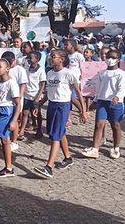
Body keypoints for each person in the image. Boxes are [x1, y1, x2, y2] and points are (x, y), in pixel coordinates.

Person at [33, 49, 87, 179]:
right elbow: (47, 92)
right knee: (60, 132)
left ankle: (49, 167)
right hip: (51, 105)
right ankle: (68, 158)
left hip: (62, 106)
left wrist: (83, 111)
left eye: (53, 57)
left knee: (55, 136)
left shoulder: (68, 74)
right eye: (50, 57)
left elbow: (78, 93)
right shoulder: (50, 73)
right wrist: (39, 105)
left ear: (61, 59)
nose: (51, 59)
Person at [81, 49, 124, 159]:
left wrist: (117, 96)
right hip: (102, 102)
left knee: (116, 125)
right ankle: (95, 149)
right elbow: (99, 89)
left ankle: (116, 148)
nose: (110, 59)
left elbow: (122, 88)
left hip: (115, 103)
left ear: (118, 60)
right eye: (108, 57)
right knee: (99, 124)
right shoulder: (102, 73)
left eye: (113, 57)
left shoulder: (121, 74)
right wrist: (95, 101)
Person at [1, 51, 27, 151]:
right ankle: (6, 138)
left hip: (16, 99)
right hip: (6, 99)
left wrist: (19, 98)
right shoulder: (5, 69)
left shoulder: (20, 70)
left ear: (13, 61)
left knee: (15, 120)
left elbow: (23, 85)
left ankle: (14, 141)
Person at [19, 51, 46, 139]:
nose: (29, 60)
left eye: (31, 58)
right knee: (25, 113)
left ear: (37, 59)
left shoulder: (41, 71)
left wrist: (38, 97)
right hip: (26, 94)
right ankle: (22, 130)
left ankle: (39, 129)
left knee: (37, 114)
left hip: (35, 95)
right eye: (28, 58)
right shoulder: (26, 69)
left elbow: (42, 85)